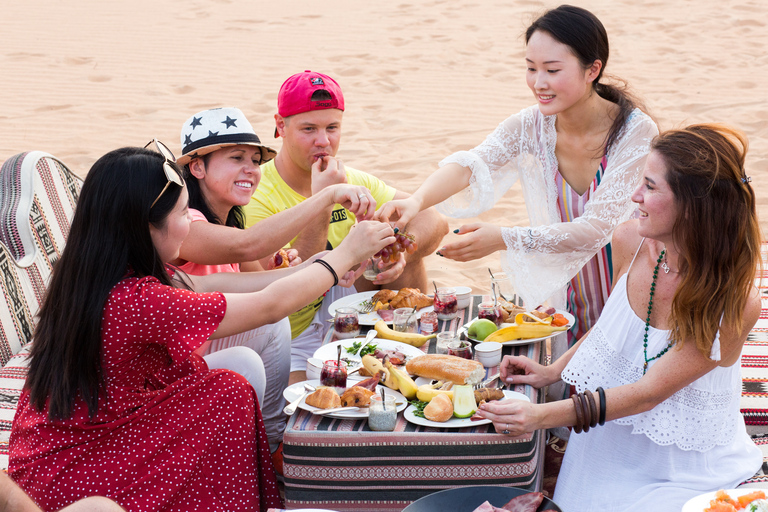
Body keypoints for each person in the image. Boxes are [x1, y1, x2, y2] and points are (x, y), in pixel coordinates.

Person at [9, 144, 394, 511]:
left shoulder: (94, 270)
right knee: (228, 395)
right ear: (144, 226)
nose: (189, 226)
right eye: (182, 215)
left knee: (229, 381)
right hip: (77, 468)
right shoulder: (137, 298)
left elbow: (219, 286)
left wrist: (322, 264)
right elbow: (269, 304)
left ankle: (257, 463)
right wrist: (345, 253)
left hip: (68, 437)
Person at [475, 124, 763, 511]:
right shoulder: (630, 239)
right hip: (608, 436)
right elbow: (612, 328)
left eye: (651, 186)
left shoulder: (734, 301)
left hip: (683, 463)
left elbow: (650, 393)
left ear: (693, 206)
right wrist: (552, 372)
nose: (635, 196)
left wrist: (539, 416)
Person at [376, 5, 659, 360]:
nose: (538, 83)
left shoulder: (636, 132)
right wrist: (416, 202)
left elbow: (595, 229)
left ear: (593, 69)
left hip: (628, 294)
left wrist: (503, 238)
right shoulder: (530, 126)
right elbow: (470, 164)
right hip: (567, 297)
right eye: (530, 68)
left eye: (552, 70)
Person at [174, 106, 382, 449]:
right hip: (183, 364)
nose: (251, 170)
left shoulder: (229, 220)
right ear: (197, 166)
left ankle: (275, 441)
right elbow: (247, 246)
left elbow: (268, 282)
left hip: (209, 346)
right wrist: (326, 197)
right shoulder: (187, 224)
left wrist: (323, 263)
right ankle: (274, 443)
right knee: (271, 325)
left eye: (255, 160)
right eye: (236, 158)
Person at [244, 70, 448, 382]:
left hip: (345, 305)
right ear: (280, 126)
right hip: (290, 325)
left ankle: (409, 344)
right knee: (307, 409)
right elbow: (287, 291)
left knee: (398, 241)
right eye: (308, 128)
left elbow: (434, 220)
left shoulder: (350, 177)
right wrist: (324, 198)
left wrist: (401, 249)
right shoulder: (257, 193)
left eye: (332, 127)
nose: (323, 142)